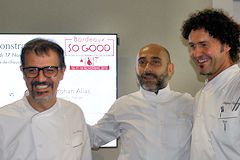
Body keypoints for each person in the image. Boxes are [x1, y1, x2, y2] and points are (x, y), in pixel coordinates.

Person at [88, 44, 194, 160]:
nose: (147, 69)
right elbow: (94, 138)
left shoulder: (187, 103)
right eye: (142, 63)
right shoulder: (123, 105)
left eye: (155, 62)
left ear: (170, 69)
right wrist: (70, 112)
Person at [0, 38, 92, 160]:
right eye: (32, 70)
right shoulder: (3, 119)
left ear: (62, 72)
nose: (41, 79)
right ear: (23, 73)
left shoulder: (74, 112)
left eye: (49, 70)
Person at [181, 9, 240, 160]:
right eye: (192, 46)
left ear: (226, 45)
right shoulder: (200, 96)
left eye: (203, 45)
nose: (196, 53)